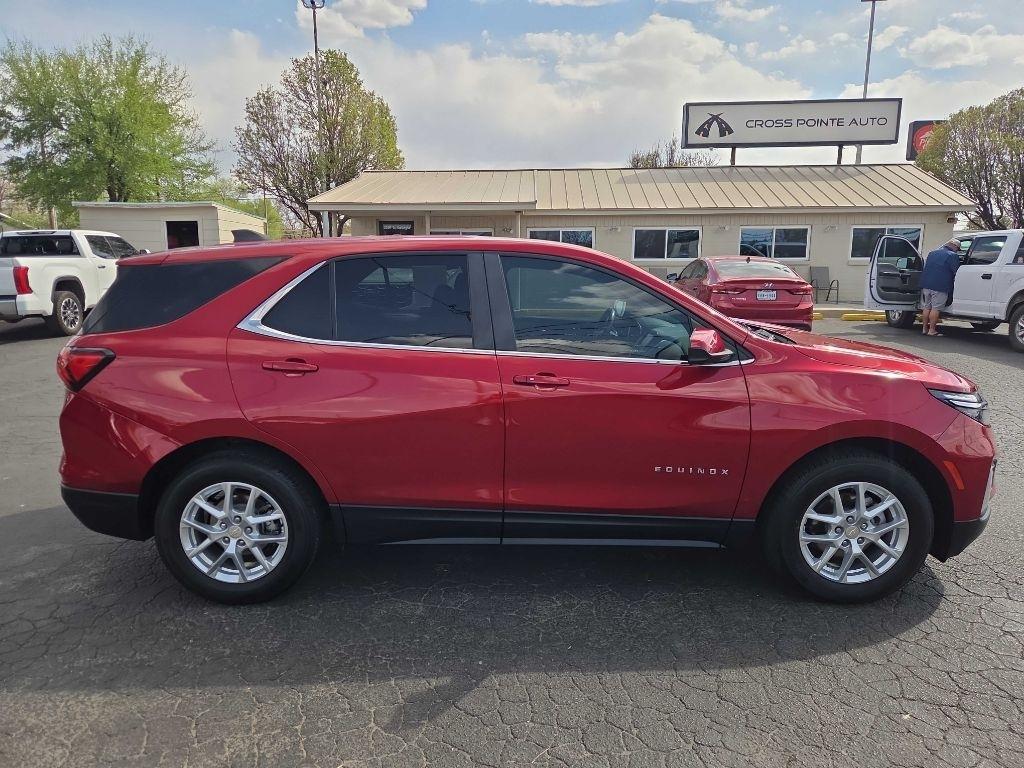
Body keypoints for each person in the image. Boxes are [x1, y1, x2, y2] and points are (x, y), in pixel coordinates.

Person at [919, 238, 961, 336]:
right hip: (940, 285)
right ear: (954, 246)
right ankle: (932, 330)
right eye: (957, 249)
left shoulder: (932, 253)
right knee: (936, 308)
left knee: (926, 307)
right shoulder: (952, 255)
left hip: (926, 284)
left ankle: (924, 329)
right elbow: (956, 271)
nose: (957, 251)